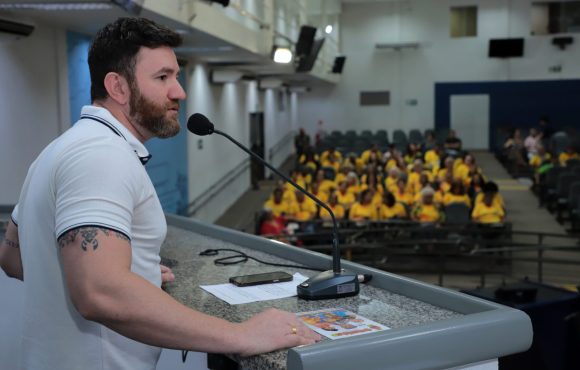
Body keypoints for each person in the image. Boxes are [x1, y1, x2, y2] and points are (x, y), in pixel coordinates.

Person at [0, 17, 319, 370]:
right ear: (118, 87)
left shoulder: (58, 150)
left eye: (176, 76)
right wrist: (241, 334)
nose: (179, 92)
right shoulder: (101, 156)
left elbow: (13, 258)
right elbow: (98, 292)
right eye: (162, 77)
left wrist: (130, 271)